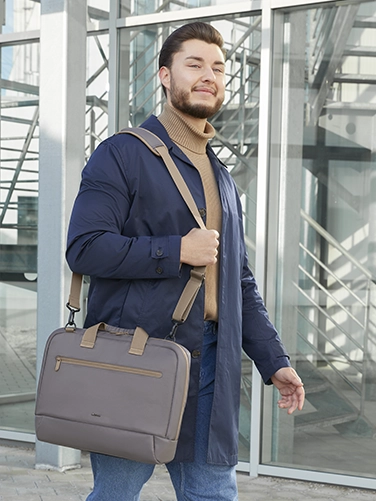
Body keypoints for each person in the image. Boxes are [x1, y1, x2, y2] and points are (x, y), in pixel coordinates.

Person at [66, 21, 305, 501]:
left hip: (213, 362)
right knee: (116, 493)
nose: (208, 75)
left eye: (218, 67)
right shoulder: (122, 154)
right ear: (163, 75)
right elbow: (84, 247)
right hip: (137, 356)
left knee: (213, 493)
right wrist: (175, 250)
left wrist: (273, 360)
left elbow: (237, 282)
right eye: (194, 64)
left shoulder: (222, 176)